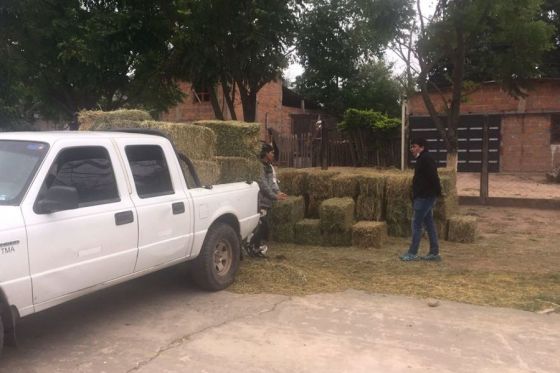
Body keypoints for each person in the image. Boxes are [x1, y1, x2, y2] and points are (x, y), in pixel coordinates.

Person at [400, 137, 442, 262]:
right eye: (412, 146)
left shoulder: (426, 159)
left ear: (422, 147)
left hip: (424, 197)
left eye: (414, 146)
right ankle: (434, 253)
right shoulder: (422, 158)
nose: (412, 149)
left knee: (416, 224)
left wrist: (437, 192)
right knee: (429, 224)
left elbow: (433, 177)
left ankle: (412, 252)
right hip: (424, 196)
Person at [246, 143, 288, 257]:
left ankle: (255, 247)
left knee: (263, 227)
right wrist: (275, 196)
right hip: (260, 201)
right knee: (262, 226)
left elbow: (272, 182)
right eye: (271, 152)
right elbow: (263, 185)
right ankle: (252, 247)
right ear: (265, 153)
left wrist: (278, 192)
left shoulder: (269, 167)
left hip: (267, 202)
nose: (273, 154)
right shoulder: (259, 167)